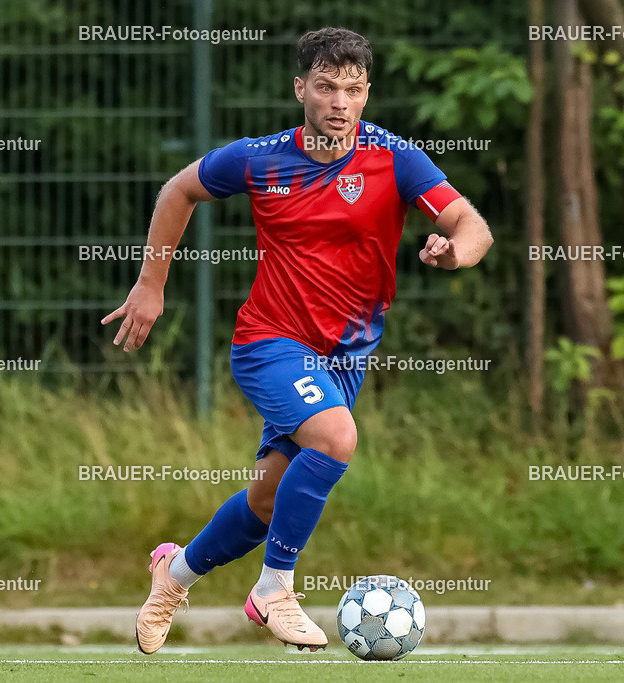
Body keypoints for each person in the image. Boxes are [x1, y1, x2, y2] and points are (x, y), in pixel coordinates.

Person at [102, 26, 493, 653]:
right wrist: (150, 285)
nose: (340, 101)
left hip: (346, 358)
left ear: (366, 97)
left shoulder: (393, 157)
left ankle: (172, 575)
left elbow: (470, 223)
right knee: (337, 439)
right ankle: (274, 591)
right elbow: (179, 190)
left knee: (266, 502)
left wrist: (455, 254)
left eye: (354, 90)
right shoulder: (258, 158)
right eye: (327, 86)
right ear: (300, 90)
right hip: (270, 343)